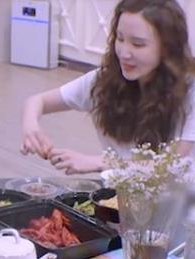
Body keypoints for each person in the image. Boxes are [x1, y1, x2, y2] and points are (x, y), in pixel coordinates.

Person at [21, 0, 195, 174]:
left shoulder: (190, 90)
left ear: (167, 48)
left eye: (138, 44)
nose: (124, 53)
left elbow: (174, 163)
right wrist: (31, 127)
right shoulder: (103, 80)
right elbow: (37, 101)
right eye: (120, 38)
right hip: (121, 189)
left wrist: (100, 162)